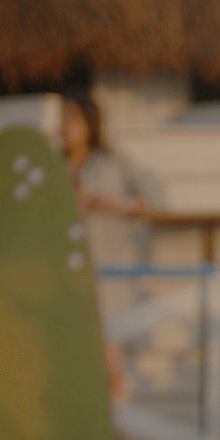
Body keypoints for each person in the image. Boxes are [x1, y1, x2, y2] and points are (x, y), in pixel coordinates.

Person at [58, 91, 158, 403]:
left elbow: (154, 200)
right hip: (62, 278)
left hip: (105, 276)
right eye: (63, 118)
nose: (65, 126)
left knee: (110, 363)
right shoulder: (53, 164)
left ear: (90, 123)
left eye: (73, 118)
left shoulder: (114, 162)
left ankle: (118, 427)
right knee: (68, 363)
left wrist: (112, 204)